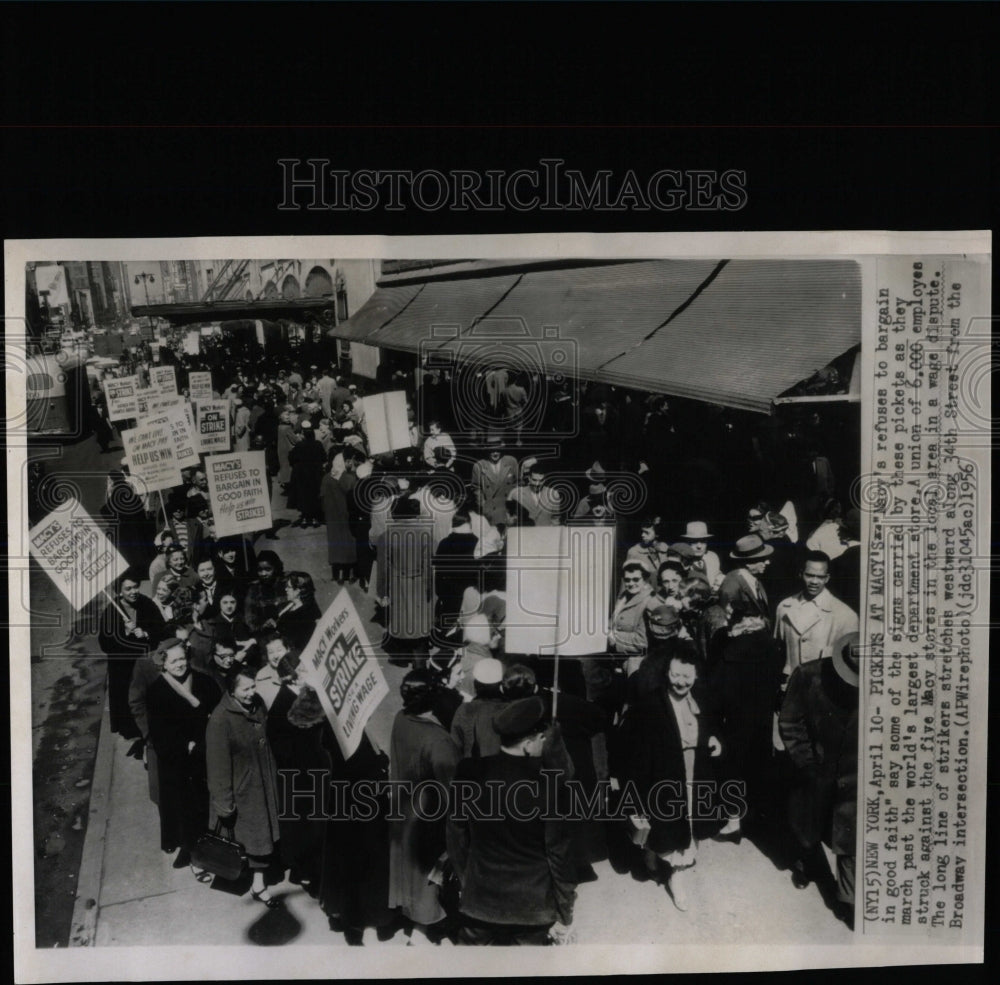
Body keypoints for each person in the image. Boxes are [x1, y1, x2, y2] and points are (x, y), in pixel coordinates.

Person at [446, 696, 577, 945]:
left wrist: (467, 881)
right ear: (528, 745)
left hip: (480, 903)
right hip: (531, 909)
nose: (545, 743)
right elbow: (559, 856)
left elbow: (455, 835)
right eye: (542, 739)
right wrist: (566, 912)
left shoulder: (469, 772)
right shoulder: (548, 786)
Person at [617, 643, 724, 911]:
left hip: (693, 774)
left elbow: (708, 724)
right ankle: (653, 855)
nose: (681, 682)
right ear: (667, 673)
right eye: (676, 675)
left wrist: (712, 738)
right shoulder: (651, 703)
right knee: (663, 825)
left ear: (697, 675)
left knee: (687, 826)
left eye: (687, 676)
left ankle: (677, 877)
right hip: (662, 777)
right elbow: (636, 750)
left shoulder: (701, 697)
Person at [778, 633, 859, 928]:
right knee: (807, 826)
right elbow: (789, 721)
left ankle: (848, 900)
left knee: (849, 837)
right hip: (816, 769)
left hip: (855, 773)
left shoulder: (882, 679)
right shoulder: (808, 675)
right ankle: (806, 865)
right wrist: (807, 761)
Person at [388, 669, 461, 945]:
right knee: (429, 878)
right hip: (430, 820)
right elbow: (454, 790)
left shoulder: (400, 719)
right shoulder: (438, 740)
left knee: (411, 871)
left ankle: (412, 920)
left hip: (404, 810)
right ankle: (419, 934)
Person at [206, 665, 282, 907]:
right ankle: (254, 883)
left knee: (262, 837)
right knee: (254, 839)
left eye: (253, 686)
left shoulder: (256, 704)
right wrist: (224, 806)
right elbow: (217, 769)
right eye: (245, 688)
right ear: (232, 690)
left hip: (263, 784)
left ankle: (258, 883)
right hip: (244, 792)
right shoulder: (220, 721)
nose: (252, 692)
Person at [146, 637, 219, 869]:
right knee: (183, 807)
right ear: (164, 664)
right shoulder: (156, 692)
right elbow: (158, 733)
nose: (180, 664)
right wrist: (182, 746)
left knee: (206, 803)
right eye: (174, 661)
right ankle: (189, 848)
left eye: (182, 659)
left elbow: (217, 717)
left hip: (206, 753)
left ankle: (211, 845)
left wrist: (199, 742)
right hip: (177, 762)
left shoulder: (204, 682)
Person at [774, 551, 859, 678]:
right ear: (800, 574)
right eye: (809, 575)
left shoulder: (845, 615)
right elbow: (779, 650)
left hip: (823, 689)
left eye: (820, 577)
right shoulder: (784, 607)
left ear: (827, 578)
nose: (814, 581)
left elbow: (851, 662)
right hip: (790, 686)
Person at [98, 574, 163, 739]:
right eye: (128, 588)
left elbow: (162, 628)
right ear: (119, 592)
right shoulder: (110, 612)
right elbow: (106, 644)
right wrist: (125, 632)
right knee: (130, 703)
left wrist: (146, 633)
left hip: (146, 664)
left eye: (135, 587)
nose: (134, 592)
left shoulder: (146, 604)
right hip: (124, 669)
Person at [718, 534, 773, 627]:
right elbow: (728, 624)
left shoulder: (755, 578)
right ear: (748, 563)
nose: (767, 562)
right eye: (762, 559)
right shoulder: (731, 586)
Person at [321, 453, 357, 584]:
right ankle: (350, 573)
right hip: (346, 516)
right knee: (349, 542)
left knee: (335, 543)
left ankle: (337, 574)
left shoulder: (326, 478)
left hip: (332, 517)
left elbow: (322, 497)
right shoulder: (348, 478)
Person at [471, 435, 519, 527]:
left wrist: (515, 506)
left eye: (498, 450)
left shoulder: (511, 461)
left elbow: (518, 484)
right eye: (492, 450)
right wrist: (484, 506)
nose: (495, 453)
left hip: (509, 511)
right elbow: (476, 488)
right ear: (487, 450)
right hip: (490, 512)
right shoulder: (479, 466)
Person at [287, 421, 326, 527]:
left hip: (301, 474)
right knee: (314, 495)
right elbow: (324, 457)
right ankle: (314, 518)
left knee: (303, 495)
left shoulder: (299, 445)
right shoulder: (318, 444)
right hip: (315, 474)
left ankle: (304, 517)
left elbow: (291, 458)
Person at [275, 571, 322, 653]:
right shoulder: (293, 606)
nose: (285, 590)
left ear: (298, 591)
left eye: (288, 587)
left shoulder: (304, 614)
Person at [243, 550, 286, 632]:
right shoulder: (253, 589)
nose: (263, 574)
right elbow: (249, 619)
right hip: (266, 635)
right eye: (260, 570)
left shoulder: (287, 584)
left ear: (276, 568)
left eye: (268, 569)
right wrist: (263, 625)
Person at [679, 521, 723, 590]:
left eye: (703, 541)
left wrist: (720, 578)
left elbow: (716, 574)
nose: (699, 546)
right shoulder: (681, 561)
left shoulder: (712, 557)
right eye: (694, 541)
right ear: (687, 542)